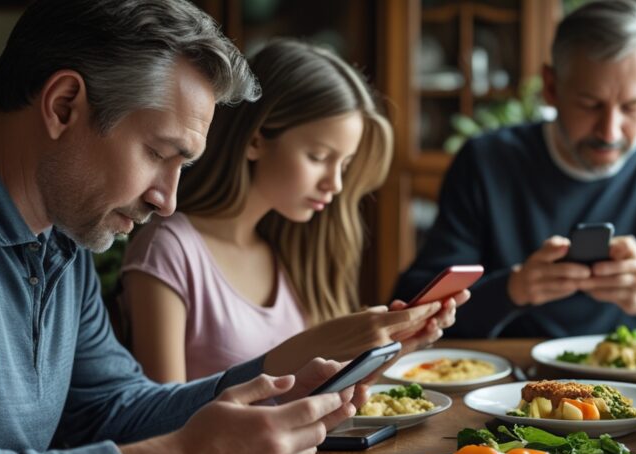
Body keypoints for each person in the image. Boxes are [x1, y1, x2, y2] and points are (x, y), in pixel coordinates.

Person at [0, 2, 369, 454]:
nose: (168, 200)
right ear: (64, 105)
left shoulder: (60, 234)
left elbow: (111, 408)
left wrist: (269, 390)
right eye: (158, 154)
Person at [393, 0, 636, 343]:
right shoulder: (486, 160)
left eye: (632, 107)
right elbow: (414, 310)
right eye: (590, 104)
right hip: (510, 384)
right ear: (552, 87)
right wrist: (512, 290)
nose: (610, 131)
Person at [120, 39, 464, 383]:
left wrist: (393, 350)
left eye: (344, 164)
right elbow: (161, 418)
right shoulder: (168, 251)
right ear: (255, 140)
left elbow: (312, 395)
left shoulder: (291, 249)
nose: (335, 184)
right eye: (318, 157)